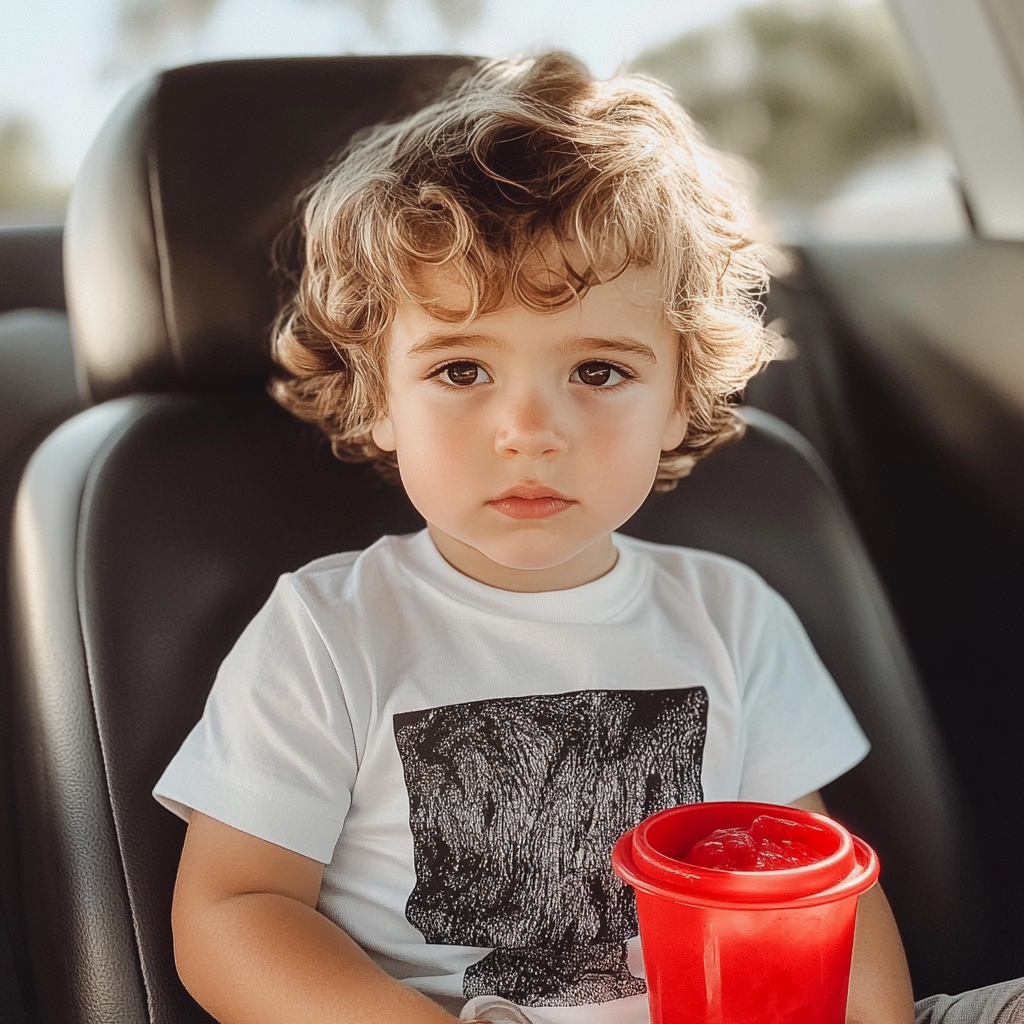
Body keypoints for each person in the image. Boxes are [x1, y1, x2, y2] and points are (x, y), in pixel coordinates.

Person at [154, 54, 1021, 1024]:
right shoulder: (326, 630)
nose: (530, 428)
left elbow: (820, 889)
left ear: (677, 399)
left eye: (599, 371)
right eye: (461, 370)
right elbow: (235, 906)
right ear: (377, 399)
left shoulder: (731, 611)